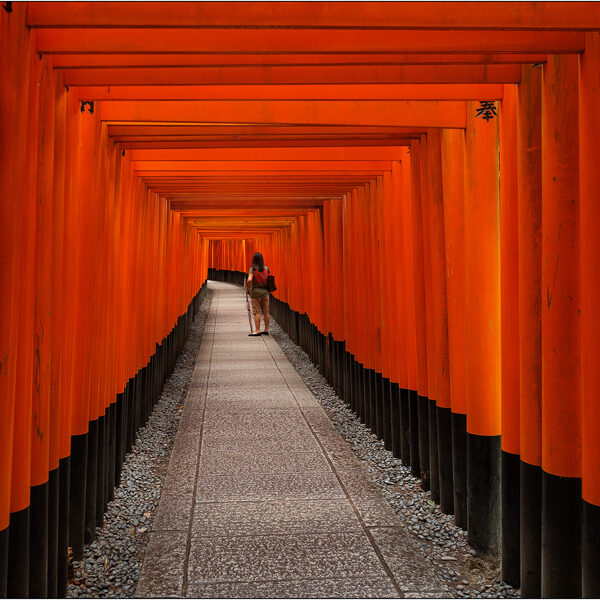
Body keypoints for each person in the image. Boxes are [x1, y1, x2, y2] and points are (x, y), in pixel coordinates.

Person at [246, 252, 271, 336]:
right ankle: (266, 329)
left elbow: (249, 280)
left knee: (256, 311)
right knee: (266, 311)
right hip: (265, 292)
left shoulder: (252, 269)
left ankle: (257, 330)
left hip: (256, 292)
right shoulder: (266, 268)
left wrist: (247, 289)